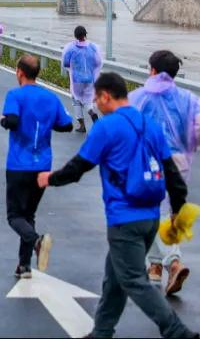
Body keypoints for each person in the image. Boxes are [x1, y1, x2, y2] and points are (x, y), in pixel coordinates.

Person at [38, 72, 194, 339]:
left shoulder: (106, 127)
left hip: (124, 219)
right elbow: (171, 173)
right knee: (114, 277)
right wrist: (177, 211)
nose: (96, 104)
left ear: (106, 96)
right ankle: (101, 331)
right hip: (151, 218)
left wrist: (49, 179)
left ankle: (177, 332)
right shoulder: (149, 125)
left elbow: (79, 167)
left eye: (97, 99)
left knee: (133, 279)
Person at [130, 50, 200, 295]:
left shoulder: (139, 97)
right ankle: (155, 266)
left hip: (149, 163)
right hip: (179, 163)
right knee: (166, 212)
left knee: (152, 213)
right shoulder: (188, 98)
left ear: (152, 70)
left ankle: (172, 262)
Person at [0, 55, 73, 278]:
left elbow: (12, 121)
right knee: (29, 214)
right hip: (42, 164)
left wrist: (3, 121)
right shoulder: (51, 97)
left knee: (14, 216)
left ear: (19, 72)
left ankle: (36, 241)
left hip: (19, 163)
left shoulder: (15, 95)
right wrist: (46, 125)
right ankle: (24, 266)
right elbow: (67, 125)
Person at [62, 25, 103, 133]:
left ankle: (82, 126)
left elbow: (65, 63)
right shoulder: (92, 47)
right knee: (87, 99)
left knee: (76, 100)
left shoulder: (71, 48)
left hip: (76, 80)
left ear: (75, 35)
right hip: (89, 78)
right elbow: (98, 62)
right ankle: (92, 113)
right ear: (85, 34)